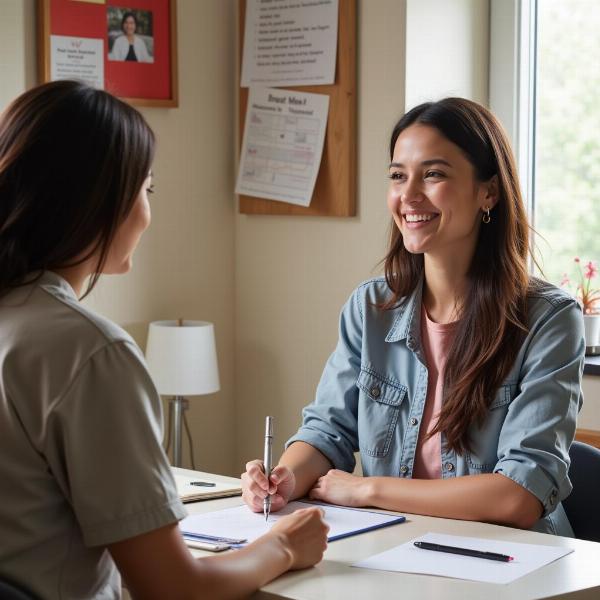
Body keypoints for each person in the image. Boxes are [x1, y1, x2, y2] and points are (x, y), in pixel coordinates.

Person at [0, 80, 328, 599]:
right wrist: (284, 546)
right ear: (100, 201)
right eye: (145, 190)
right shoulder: (87, 352)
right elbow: (172, 587)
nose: (147, 213)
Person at [242, 97, 585, 537]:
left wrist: (367, 490)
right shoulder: (370, 309)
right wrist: (287, 477)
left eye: (434, 174)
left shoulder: (548, 321)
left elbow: (518, 496)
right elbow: (328, 432)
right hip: (397, 550)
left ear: (489, 192)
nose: (408, 195)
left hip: (516, 564)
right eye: (398, 176)